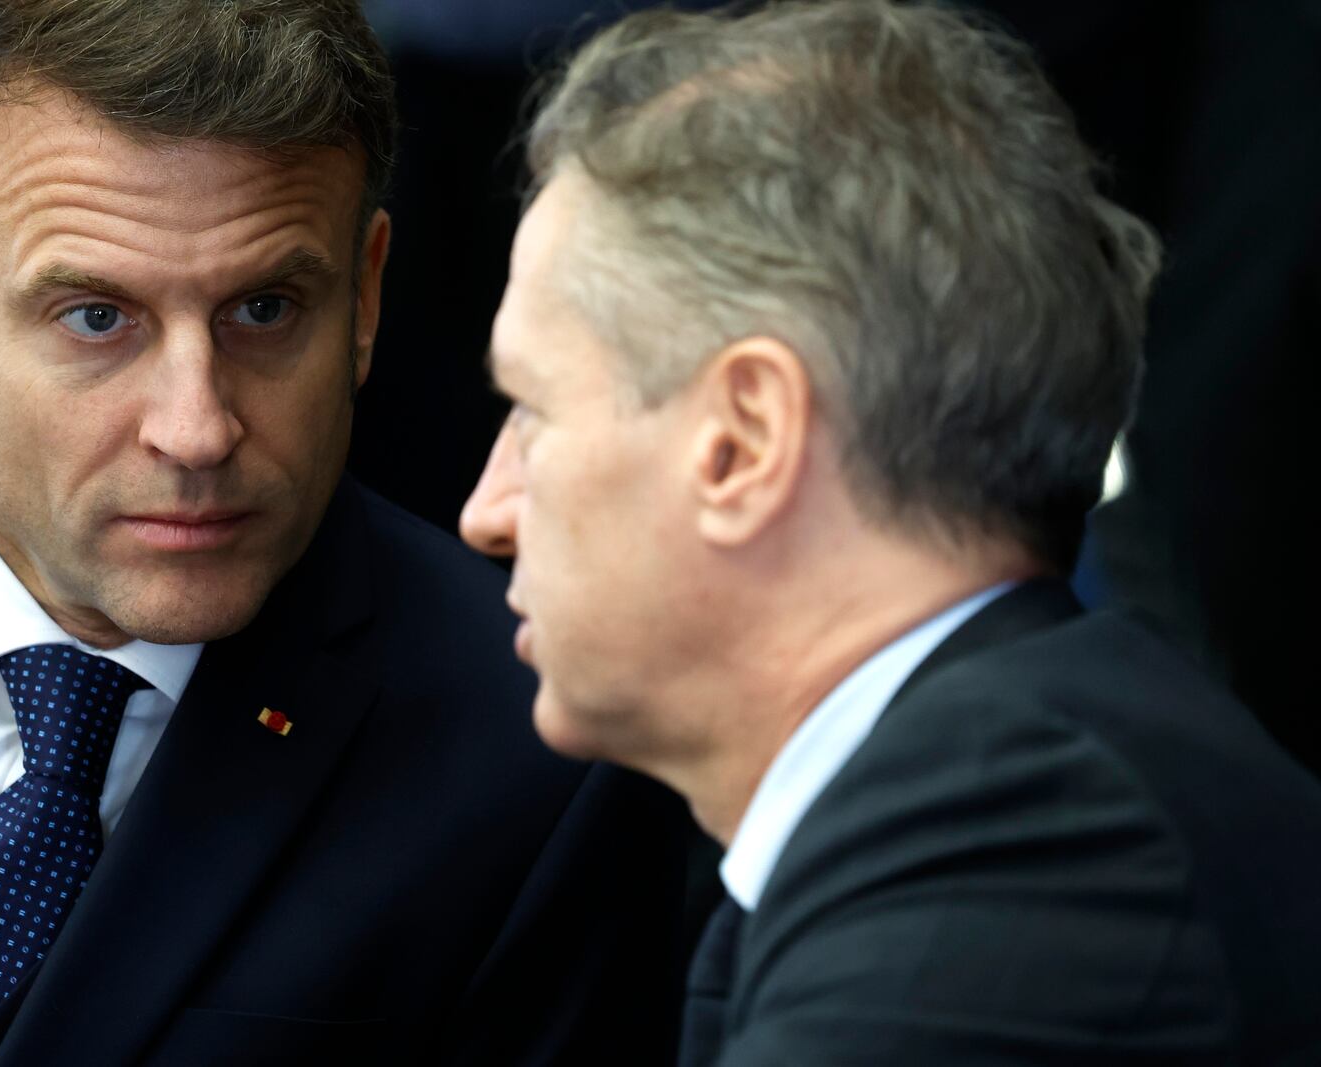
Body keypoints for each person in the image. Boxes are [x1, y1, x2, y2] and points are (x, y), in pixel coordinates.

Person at [0, 2, 688, 1064]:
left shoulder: (542, 757)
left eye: (264, 309)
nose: (198, 429)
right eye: (97, 318)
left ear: (364, 296)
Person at [459, 1, 1321, 1064]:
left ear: (742, 439)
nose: (485, 511)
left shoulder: (1023, 838)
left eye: (533, 410)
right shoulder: (968, 796)